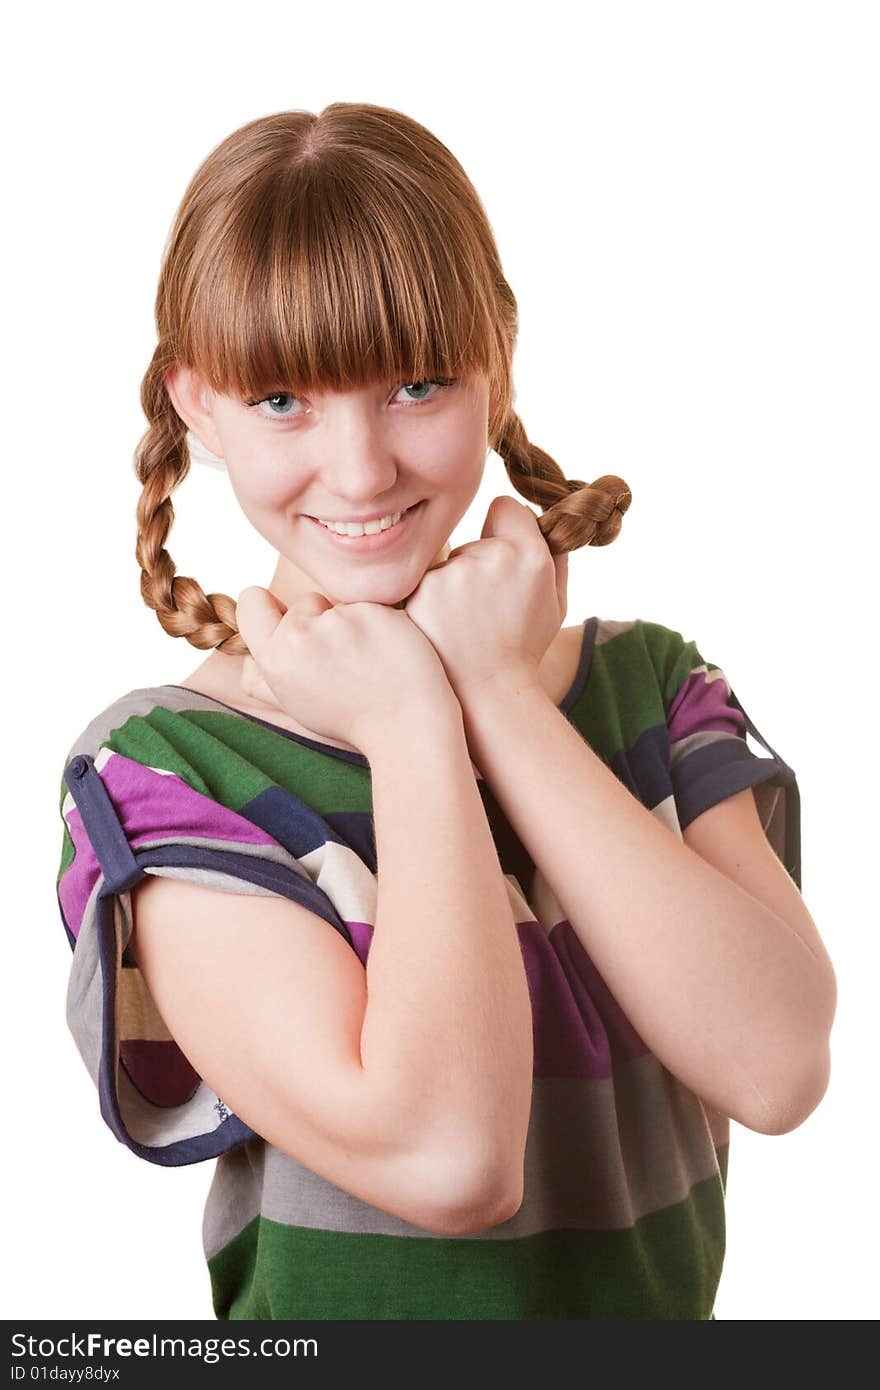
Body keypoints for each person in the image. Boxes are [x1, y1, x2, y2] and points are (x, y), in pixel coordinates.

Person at [55, 103, 837, 1321]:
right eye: (281, 402)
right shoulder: (168, 774)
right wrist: (414, 726)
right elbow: (446, 1158)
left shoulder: (647, 691)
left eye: (416, 384)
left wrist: (500, 700)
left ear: (496, 361)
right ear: (194, 403)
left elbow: (780, 1068)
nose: (362, 469)